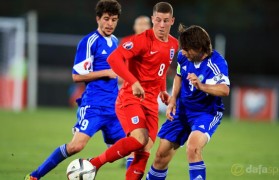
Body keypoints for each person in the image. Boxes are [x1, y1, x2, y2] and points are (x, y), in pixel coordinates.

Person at [24, 0, 125, 179]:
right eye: (106, 19)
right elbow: (77, 76)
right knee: (75, 146)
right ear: (98, 19)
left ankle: (91, 164)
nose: (110, 24)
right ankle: (34, 176)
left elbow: (116, 72)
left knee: (129, 147)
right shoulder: (89, 42)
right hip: (94, 105)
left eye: (114, 20)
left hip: (114, 106)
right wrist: (106, 72)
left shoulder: (115, 41)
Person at [89, 2, 178, 180]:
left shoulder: (173, 44)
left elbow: (160, 69)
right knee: (139, 139)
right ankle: (93, 164)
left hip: (152, 101)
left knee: (144, 149)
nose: (161, 25)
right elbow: (114, 59)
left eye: (166, 21)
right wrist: (133, 81)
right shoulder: (141, 40)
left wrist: (162, 90)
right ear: (153, 19)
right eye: (158, 20)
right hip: (131, 97)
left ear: (172, 21)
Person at [146, 24, 230, 180]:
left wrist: (201, 85)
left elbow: (224, 89)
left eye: (186, 48)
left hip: (205, 113)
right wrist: (173, 100)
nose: (182, 51)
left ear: (198, 47)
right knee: (160, 156)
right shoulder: (183, 57)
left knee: (193, 148)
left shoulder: (216, 63)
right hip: (182, 110)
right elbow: (179, 76)